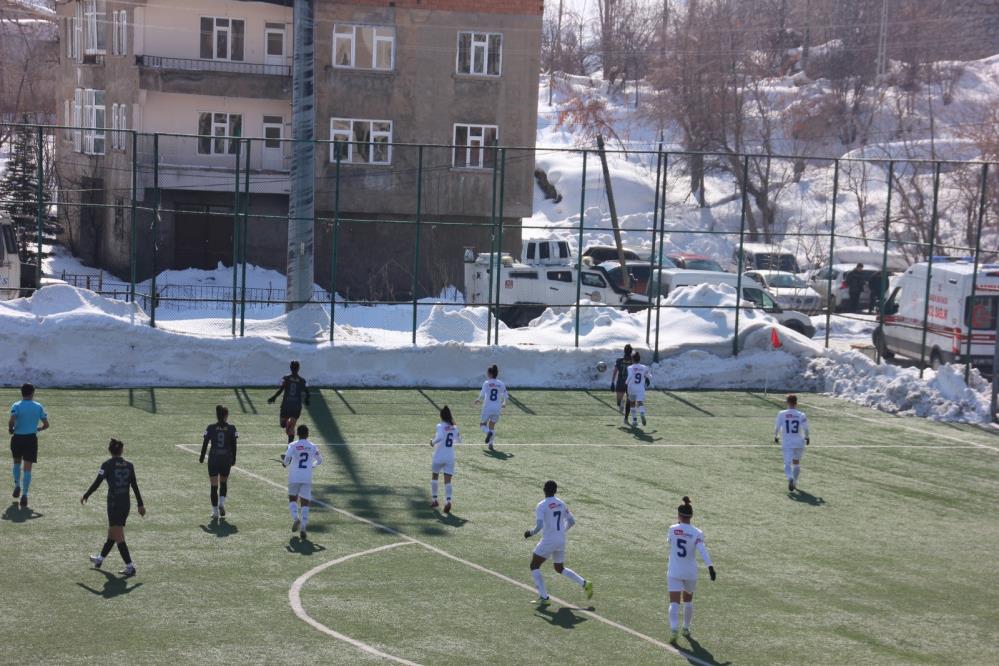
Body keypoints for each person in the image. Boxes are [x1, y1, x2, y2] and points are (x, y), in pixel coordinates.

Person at [80, 438, 146, 576]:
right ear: (121, 450)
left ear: (110, 451)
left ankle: (130, 566)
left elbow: (97, 482)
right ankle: (100, 559)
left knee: (118, 536)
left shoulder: (107, 465)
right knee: (112, 533)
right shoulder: (129, 465)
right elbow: (134, 485)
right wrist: (140, 504)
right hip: (125, 504)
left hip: (114, 505)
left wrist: (86, 494)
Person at [523, 480, 593, 604]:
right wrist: (561, 532)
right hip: (561, 540)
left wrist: (530, 533)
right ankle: (585, 583)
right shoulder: (561, 504)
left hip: (549, 540)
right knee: (559, 568)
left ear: (544, 490)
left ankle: (544, 598)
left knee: (534, 566)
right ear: (555, 491)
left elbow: (539, 526)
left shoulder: (542, 505)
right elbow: (572, 521)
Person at [666, 496, 716, 643]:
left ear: (678, 515)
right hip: (690, 573)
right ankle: (686, 628)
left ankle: (674, 629)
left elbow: (671, 541)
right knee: (688, 600)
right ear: (691, 516)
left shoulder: (672, 529)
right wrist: (710, 567)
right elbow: (702, 550)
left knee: (674, 602)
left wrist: (678, 526)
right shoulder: (697, 532)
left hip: (674, 571)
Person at [9, 383, 50, 509]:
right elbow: (46, 424)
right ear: (32, 393)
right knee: (27, 468)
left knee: (16, 463)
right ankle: (25, 495)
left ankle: (17, 486)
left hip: (17, 438)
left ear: (22, 393)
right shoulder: (38, 406)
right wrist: (38, 428)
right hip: (31, 439)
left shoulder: (16, 405)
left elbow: (12, 419)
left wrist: (11, 428)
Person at [283, 424, 322, 540]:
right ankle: (304, 527)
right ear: (308, 434)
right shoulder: (313, 446)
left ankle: (296, 519)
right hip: (306, 477)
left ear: (297, 434)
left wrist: (284, 464)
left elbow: (287, 458)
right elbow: (320, 460)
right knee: (305, 502)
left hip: (294, 477)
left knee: (292, 499)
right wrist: (312, 465)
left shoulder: (292, 445)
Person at [200, 405, 238, 518]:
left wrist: (202, 456)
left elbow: (205, 442)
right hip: (226, 458)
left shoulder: (211, 427)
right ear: (226, 416)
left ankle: (215, 512)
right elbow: (234, 445)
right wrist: (234, 458)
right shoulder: (232, 428)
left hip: (214, 458)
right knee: (223, 482)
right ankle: (221, 503)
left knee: (213, 486)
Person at [268, 361, 310, 445]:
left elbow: (281, 390)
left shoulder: (286, 378)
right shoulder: (302, 380)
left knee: (282, 424)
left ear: (290, 368)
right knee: (292, 426)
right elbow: (307, 392)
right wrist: (307, 399)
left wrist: (274, 397)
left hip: (286, 405)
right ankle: (290, 446)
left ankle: (287, 425)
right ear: (298, 368)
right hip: (296, 406)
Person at [775, 394, 810, 491]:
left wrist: (776, 436)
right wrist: (807, 437)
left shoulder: (782, 413)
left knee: (787, 463)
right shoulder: (801, 414)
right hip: (799, 442)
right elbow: (806, 428)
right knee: (796, 462)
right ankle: (794, 482)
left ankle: (790, 478)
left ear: (787, 402)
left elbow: (777, 427)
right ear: (796, 403)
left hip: (787, 442)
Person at [429, 406, 461, 514]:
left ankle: (434, 500)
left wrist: (432, 442)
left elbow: (441, 437)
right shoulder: (455, 427)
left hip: (439, 456)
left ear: (441, 416)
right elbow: (459, 441)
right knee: (448, 481)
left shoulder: (440, 425)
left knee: (434, 477)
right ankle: (448, 501)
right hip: (450, 457)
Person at [474, 364, 508, 450]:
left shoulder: (487, 383)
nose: (487, 375)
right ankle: (491, 444)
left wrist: (478, 399)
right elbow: (505, 394)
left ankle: (488, 432)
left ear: (490, 374)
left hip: (487, 407)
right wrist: (504, 402)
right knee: (492, 425)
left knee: (482, 425)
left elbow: (482, 393)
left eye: (488, 373)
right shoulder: (500, 383)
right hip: (497, 408)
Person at [624, 352, 652, 427]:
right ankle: (642, 412)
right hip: (640, 388)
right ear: (639, 359)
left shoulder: (630, 367)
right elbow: (649, 376)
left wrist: (626, 383)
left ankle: (635, 420)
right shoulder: (644, 367)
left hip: (631, 387)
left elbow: (630, 376)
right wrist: (646, 377)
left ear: (632, 359)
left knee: (632, 403)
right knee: (640, 402)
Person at [611, 344, 633, 418]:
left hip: (621, 381)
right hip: (630, 383)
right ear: (631, 352)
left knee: (618, 402)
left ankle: (621, 403)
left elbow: (615, 371)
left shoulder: (619, 360)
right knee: (629, 401)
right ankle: (626, 417)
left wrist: (612, 382)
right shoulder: (633, 361)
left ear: (624, 351)